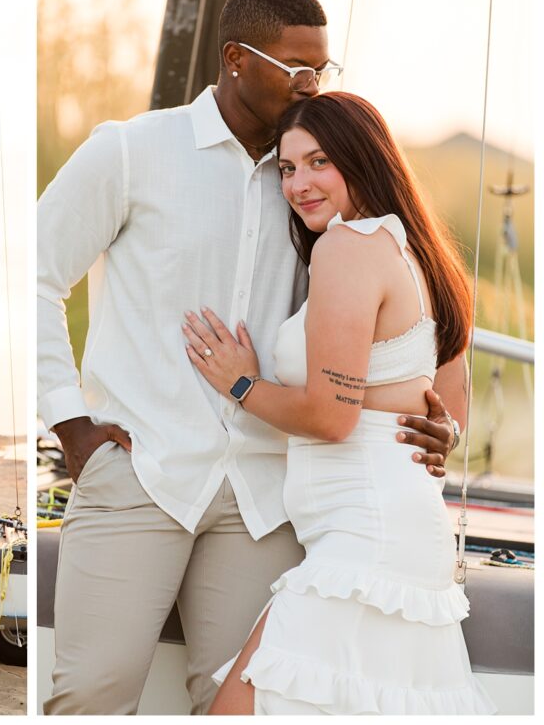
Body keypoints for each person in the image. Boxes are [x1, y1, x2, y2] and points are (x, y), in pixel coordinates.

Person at [37, 0, 461, 715]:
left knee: (252, 702)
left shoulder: (320, 185)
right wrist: (72, 426)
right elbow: (34, 275)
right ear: (235, 58)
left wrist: (444, 419)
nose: (311, 84)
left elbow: (420, 292)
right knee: (92, 693)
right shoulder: (134, 151)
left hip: (267, 494)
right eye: (297, 67)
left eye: (322, 70)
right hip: (144, 469)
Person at [184, 91, 494, 715]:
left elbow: (332, 416)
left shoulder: (347, 248)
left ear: (363, 158)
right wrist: (448, 436)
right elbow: (451, 401)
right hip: (392, 530)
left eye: (319, 161)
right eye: (288, 169)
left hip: (364, 538)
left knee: (239, 711)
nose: (299, 184)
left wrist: (241, 384)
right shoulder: (421, 254)